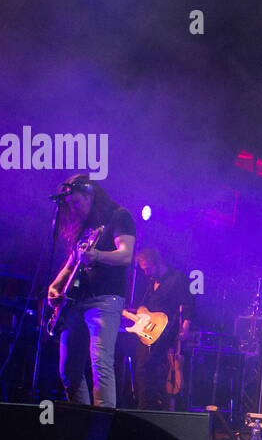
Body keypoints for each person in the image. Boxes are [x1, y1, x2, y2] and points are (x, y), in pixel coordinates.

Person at [48, 175, 135, 407]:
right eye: (70, 205)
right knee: (68, 370)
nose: (74, 209)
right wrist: (55, 285)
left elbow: (126, 254)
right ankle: (81, 424)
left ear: (90, 195)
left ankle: (101, 427)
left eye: (77, 203)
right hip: (75, 302)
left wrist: (98, 255)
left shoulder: (119, 216)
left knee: (100, 364)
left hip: (105, 301)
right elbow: (71, 263)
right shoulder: (84, 227)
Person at [133, 247, 194, 411]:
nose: (146, 273)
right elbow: (146, 305)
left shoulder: (177, 278)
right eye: (143, 270)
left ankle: (148, 409)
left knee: (148, 368)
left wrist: (185, 328)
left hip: (166, 331)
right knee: (142, 368)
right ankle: (146, 407)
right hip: (148, 331)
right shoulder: (152, 281)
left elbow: (188, 304)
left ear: (158, 262)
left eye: (148, 269)